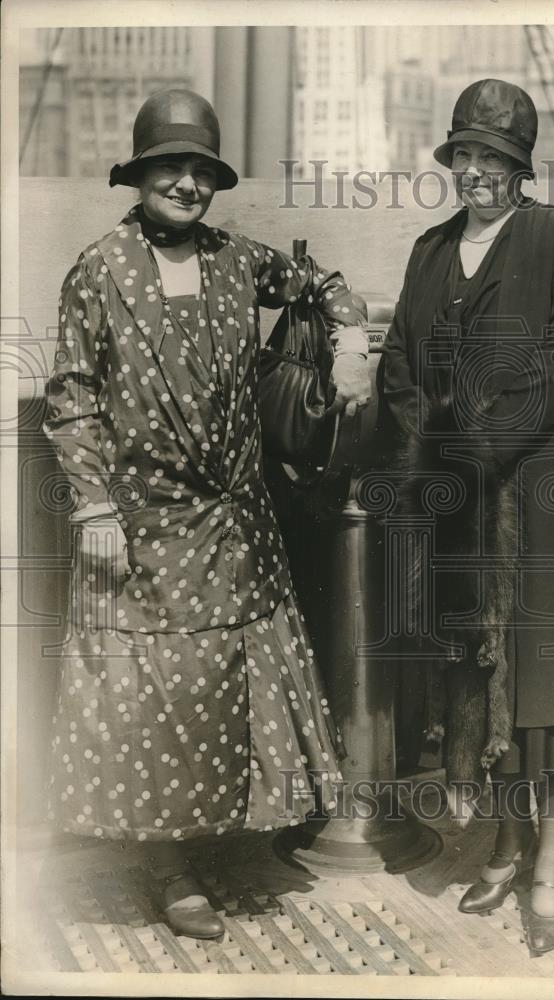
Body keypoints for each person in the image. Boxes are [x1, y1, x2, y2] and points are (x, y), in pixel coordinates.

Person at [43, 89, 371, 940]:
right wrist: (94, 507)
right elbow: (72, 398)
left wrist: (351, 340)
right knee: (160, 695)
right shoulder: (100, 269)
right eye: (169, 169)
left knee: (230, 683)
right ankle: (170, 865)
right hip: (143, 524)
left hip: (235, 520)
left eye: (200, 172)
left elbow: (324, 284)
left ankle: (225, 842)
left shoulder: (235, 259)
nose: (186, 185)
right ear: (142, 175)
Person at [380, 79, 554, 956]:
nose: (478, 172)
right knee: (482, 671)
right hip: (466, 500)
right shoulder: (431, 249)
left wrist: (482, 446)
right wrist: (431, 459)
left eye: (496, 159)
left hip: (549, 483)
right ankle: (509, 840)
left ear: (521, 168)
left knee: (548, 680)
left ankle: (551, 855)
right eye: (466, 155)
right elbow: (402, 366)